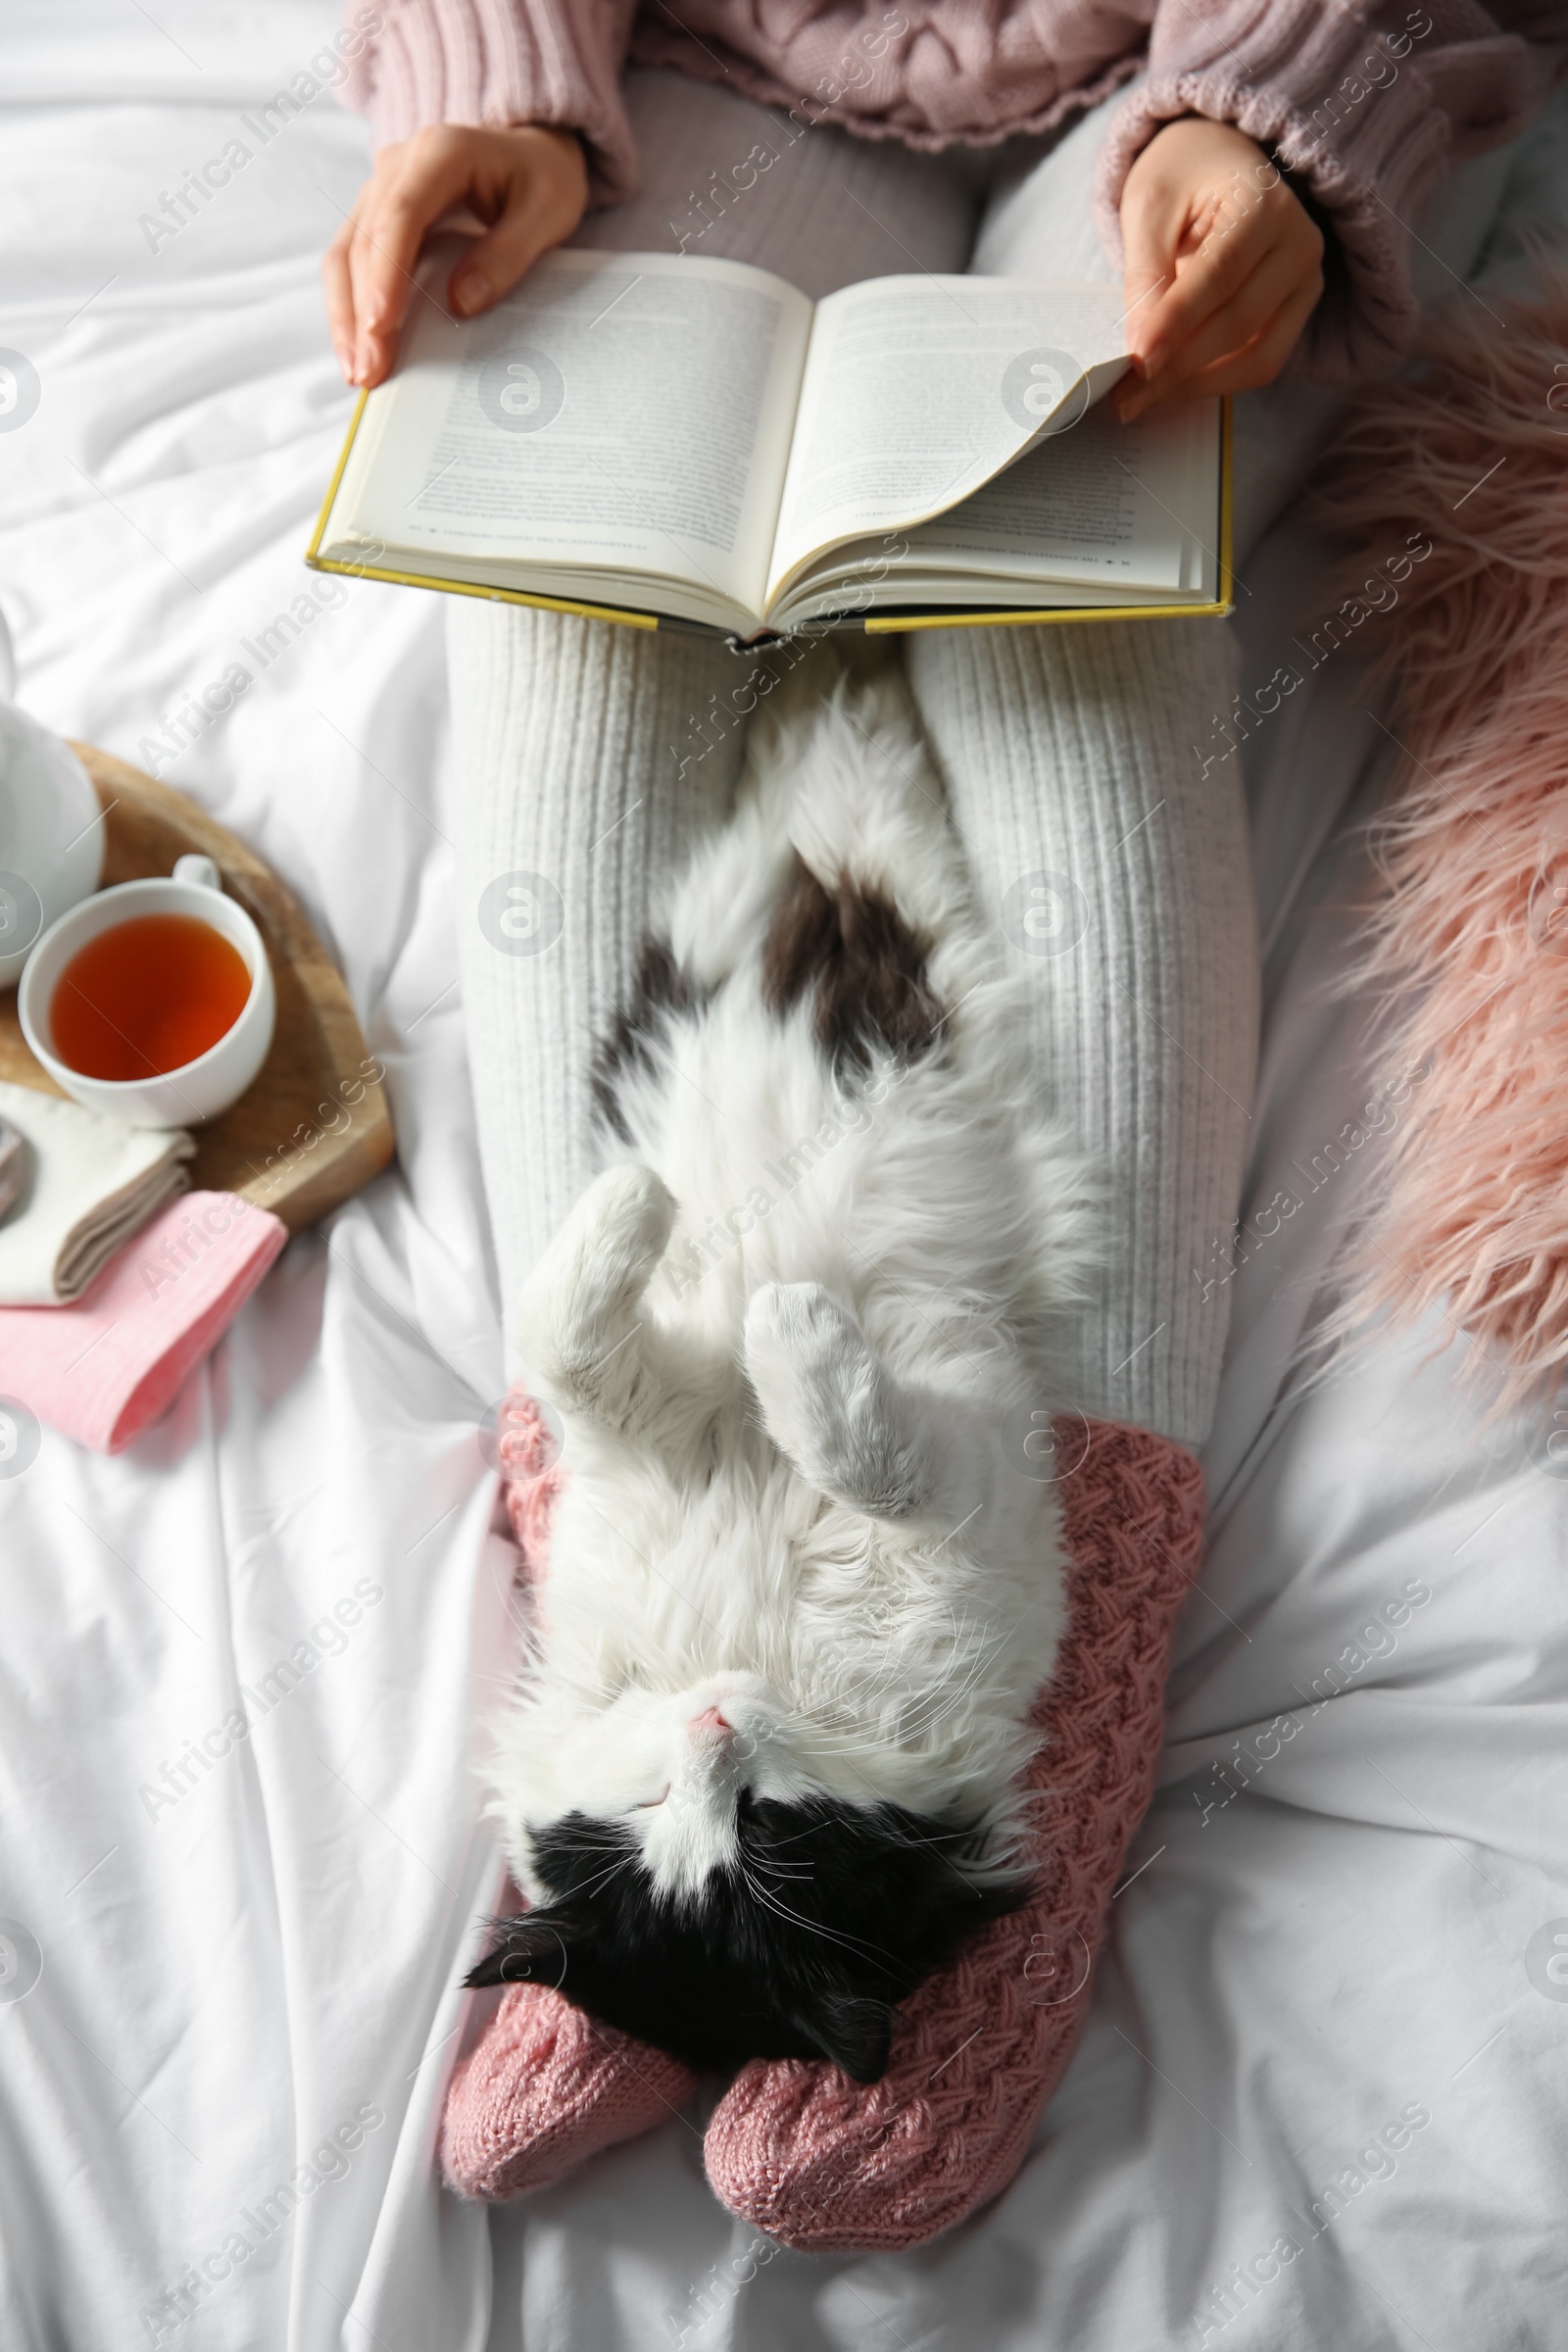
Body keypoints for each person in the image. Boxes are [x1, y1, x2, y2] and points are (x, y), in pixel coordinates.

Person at [323, 1, 1555, 1458]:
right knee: (566, 584)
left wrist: (1293, 100)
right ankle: (617, 1501)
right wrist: (497, 75)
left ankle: (1087, 1586)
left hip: (1219, 73)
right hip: (709, 64)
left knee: (1072, 608)